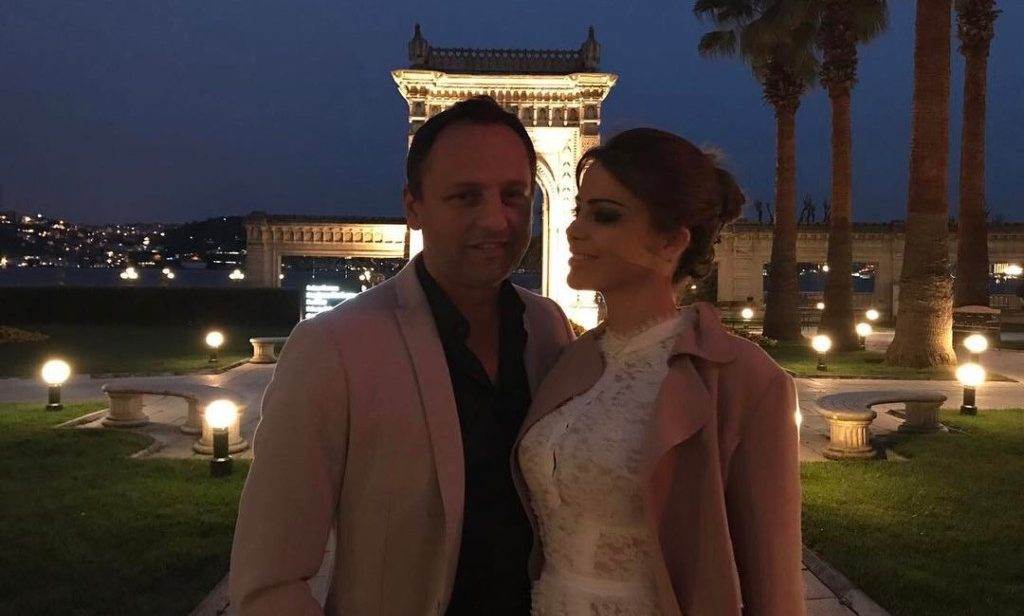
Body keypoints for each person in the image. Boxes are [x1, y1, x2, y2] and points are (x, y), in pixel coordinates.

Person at [229, 96, 574, 615]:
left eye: (514, 195)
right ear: (414, 206)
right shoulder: (334, 348)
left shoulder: (548, 328)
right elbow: (268, 583)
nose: (496, 220)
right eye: (465, 196)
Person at [514, 128, 804, 615]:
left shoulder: (743, 379)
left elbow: (774, 585)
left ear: (671, 242)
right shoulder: (567, 360)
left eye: (605, 215)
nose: (573, 230)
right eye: (578, 211)